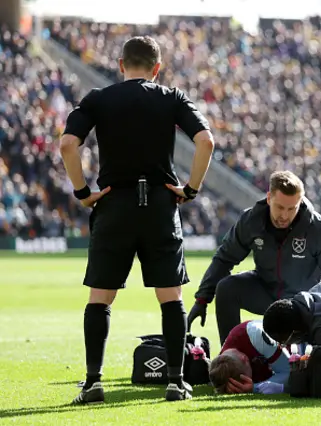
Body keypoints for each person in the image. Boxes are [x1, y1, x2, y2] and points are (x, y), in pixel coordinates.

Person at [59, 36, 214, 403]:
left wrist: (83, 193)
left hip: (115, 205)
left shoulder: (99, 98)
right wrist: (190, 189)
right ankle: (176, 383)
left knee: (101, 298)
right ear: (157, 68)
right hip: (160, 205)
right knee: (171, 298)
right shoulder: (171, 97)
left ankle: (93, 382)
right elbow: (205, 141)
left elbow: (68, 144)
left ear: (120, 64)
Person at [187, 171, 321, 345]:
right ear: (268, 198)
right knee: (227, 288)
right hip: (265, 291)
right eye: (280, 207)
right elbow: (225, 258)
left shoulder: (318, 228)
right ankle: (231, 355)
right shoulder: (251, 221)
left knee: (297, 364)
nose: (285, 216)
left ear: (300, 202)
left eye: (291, 209)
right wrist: (202, 299)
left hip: (302, 303)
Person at [207, 320, 291, 395]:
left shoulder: (257, 336)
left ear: (245, 359)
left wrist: (255, 388)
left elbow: (291, 374)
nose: (248, 382)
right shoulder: (222, 365)